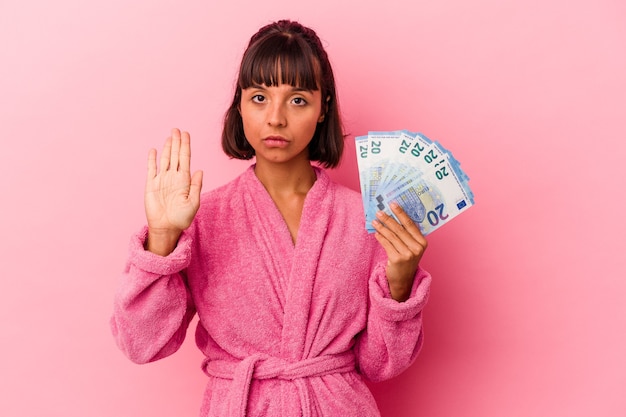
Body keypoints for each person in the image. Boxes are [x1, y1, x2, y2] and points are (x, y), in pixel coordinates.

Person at [111, 19, 431, 417]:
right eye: (259, 97)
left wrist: (399, 286)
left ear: (322, 108)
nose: (275, 118)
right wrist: (161, 239)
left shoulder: (365, 219)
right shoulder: (203, 217)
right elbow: (142, 345)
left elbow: (381, 365)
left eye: (297, 99)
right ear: (240, 105)